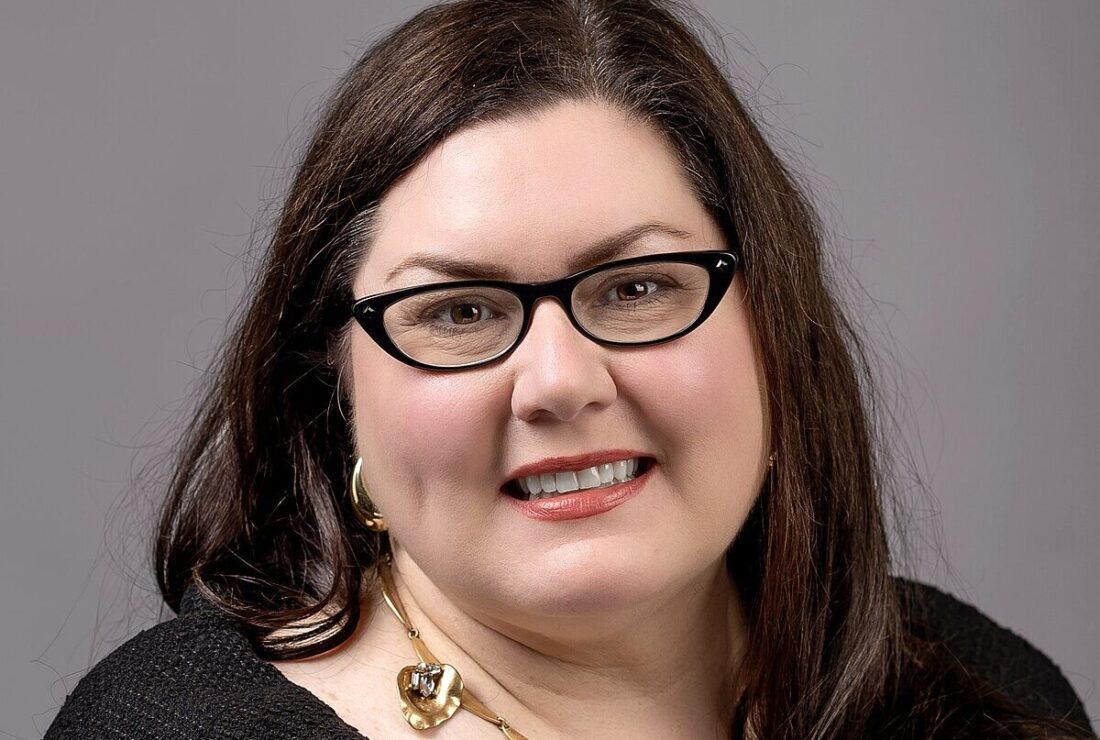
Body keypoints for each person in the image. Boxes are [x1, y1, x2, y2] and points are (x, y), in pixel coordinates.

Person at [46, 1, 1094, 738]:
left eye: (636, 288)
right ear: (335, 385)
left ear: (774, 327)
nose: (557, 381)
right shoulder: (175, 725)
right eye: (458, 310)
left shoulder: (979, 691)